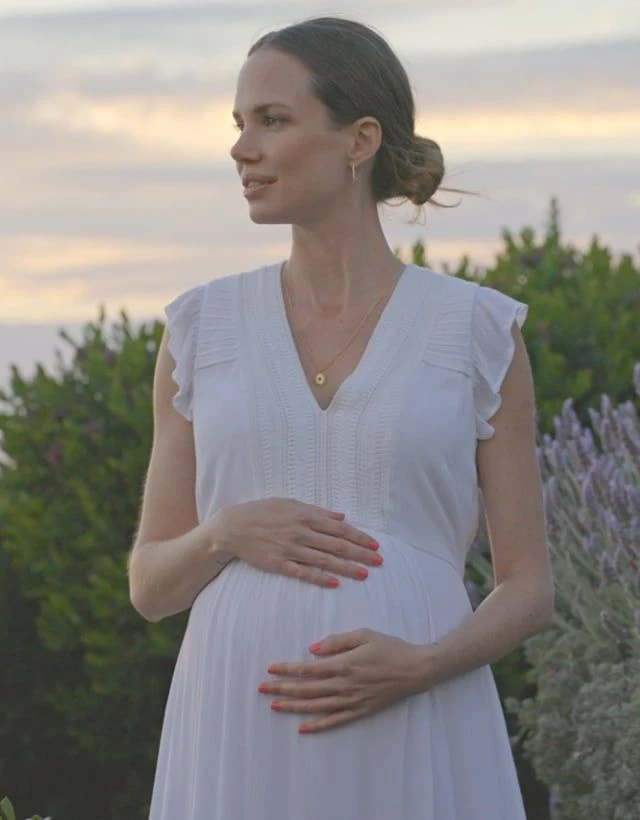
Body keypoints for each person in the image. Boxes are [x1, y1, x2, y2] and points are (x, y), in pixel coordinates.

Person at [128, 16, 554, 819]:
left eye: (272, 120)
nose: (241, 149)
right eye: (238, 123)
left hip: (416, 718)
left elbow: (528, 586)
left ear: (359, 140)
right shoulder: (199, 329)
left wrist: (423, 665)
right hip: (237, 728)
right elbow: (151, 586)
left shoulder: (476, 329)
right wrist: (224, 533)